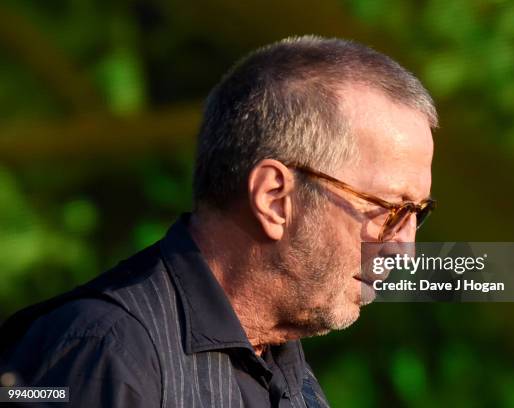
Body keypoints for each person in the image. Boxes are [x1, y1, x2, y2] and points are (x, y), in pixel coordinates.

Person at [0, 35, 437, 407]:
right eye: (390, 209)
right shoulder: (105, 350)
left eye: (418, 214)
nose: (405, 247)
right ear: (274, 199)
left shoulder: (282, 363)